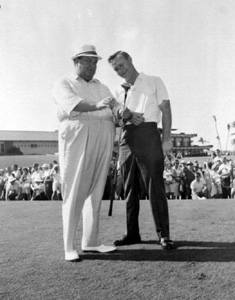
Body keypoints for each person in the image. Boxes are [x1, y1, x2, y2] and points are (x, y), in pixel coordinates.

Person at [53, 44, 117, 262]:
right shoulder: (64, 83)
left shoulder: (103, 86)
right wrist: (98, 106)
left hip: (104, 134)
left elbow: (114, 108)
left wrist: (121, 112)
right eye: (87, 61)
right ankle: (69, 246)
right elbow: (75, 105)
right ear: (75, 62)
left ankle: (91, 241)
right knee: (74, 189)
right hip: (77, 136)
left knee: (97, 188)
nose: (92, 65)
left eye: (95, 62)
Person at [108, 50, 176, 250]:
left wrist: (166, 140)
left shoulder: (154, 81)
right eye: (116, 69)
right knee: (129, 187)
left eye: (122, 64)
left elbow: (166, 110)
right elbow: (115, 119)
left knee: (154, 186)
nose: (120, 70)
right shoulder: (119, 91)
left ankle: (164, 235)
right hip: (126, 139)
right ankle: (132, 233)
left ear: (130, 59)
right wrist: (126, 116)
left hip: (148, 134)